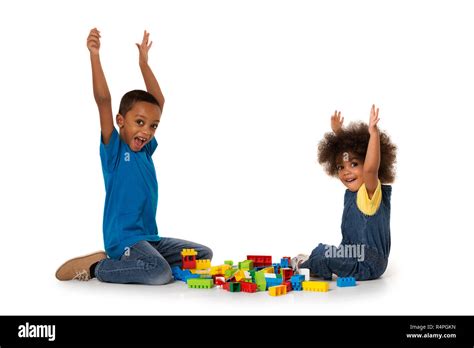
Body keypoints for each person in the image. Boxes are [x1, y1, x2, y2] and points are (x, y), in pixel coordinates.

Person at [55, 28, 212, 284]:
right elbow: (103, 100)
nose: (146, 131)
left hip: (150, 238)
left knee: (203, 255)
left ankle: (144, 263)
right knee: (159, 273)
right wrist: (94, 55)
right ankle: (99, 266)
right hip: (123, 240)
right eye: (139, 122)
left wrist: (143, 63)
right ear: (121, 121)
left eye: (153, 126)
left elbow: (158, 102)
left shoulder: (146, 151)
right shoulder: (115, 151)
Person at [292, 105, 397, 280]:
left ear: (367, 163)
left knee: (325, 258)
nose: (346, 171)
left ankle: (303, 267)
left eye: (354, 164)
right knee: (321, 249)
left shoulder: (369, 191)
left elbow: (371, 169)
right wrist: (338, 133)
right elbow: (347, 152)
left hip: (367, 262)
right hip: (351, 252)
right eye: (341, 167)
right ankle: (313, 260)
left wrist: (374, 135)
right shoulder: (353, 193)